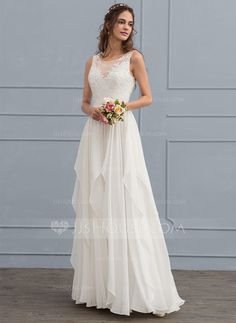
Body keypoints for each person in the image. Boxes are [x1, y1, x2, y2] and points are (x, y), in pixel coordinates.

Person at [70, 2, 185, 317]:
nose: (126, 27)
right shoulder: (91, 61)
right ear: (108, 25)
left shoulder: (135, 58)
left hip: (121, 135)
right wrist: (93, 109)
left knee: (125, 199)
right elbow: (83, 101)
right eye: (121, 21)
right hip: (95, 134)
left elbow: (148, 96)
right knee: (98, 202)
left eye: (130, 23)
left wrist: (119, 108)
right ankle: (100, 288)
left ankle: (132, 287)